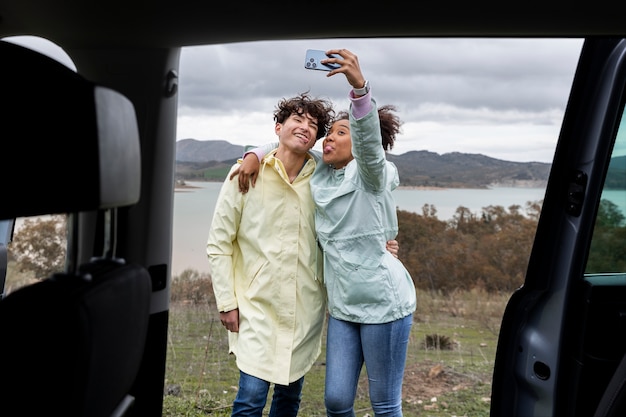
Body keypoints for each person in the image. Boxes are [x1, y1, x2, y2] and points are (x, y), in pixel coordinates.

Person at [237, 49, 417, 417]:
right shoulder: (321, 172)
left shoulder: (371, 175)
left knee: (384, 405)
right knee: (335, 401)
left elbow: (369, 149)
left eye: (340, 133)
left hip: (384, 303)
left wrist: (359, 89)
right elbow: (288, 144)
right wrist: (254, 153)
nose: (327, 140)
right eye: (329, 133)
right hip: (342, 305)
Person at [206, 92, 334, 417]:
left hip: (304, 308)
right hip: (255, 306)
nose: (305, 127)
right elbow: (219, 243)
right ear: (278, 127)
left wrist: (384, 242)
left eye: (313, 125)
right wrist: (227, 302)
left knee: (289, 401)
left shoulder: (322, 179)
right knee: (250, 400)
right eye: (297, 119)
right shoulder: (245, 174)